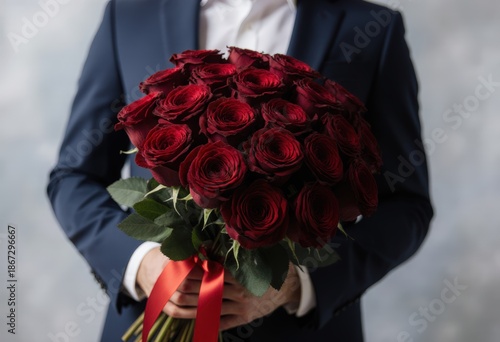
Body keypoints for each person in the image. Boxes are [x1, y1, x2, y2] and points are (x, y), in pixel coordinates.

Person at [47, 0, 434, 341]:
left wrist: (297, 285)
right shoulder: (129, 15)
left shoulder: (371, 28)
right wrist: (141, 262)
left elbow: (406, 205)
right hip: (149, 322)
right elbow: (73, 177)